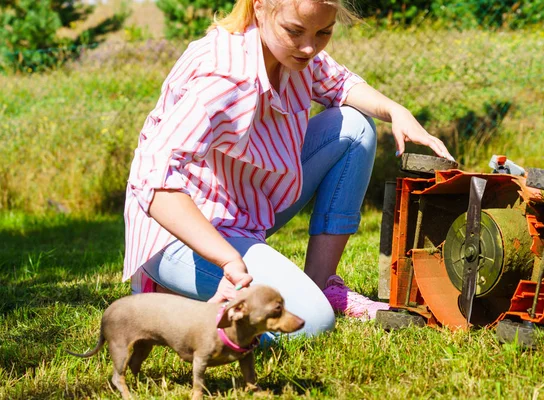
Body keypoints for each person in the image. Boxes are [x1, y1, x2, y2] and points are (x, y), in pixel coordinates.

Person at [123, 0, 454, 338]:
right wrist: (227, 260)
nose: (309, 47)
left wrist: (396, 110)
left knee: (356, 127)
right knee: (311, 322)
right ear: (260, 7)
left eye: (324, 32)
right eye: (295, 31)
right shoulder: (222, 77)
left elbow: (341, 84)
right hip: (183, 235)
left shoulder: (295, 55)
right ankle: (172, 299)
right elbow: (153, 179)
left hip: (245, 210)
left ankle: (321, 284)